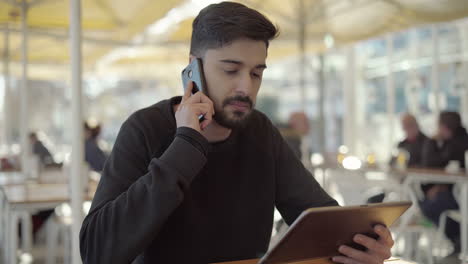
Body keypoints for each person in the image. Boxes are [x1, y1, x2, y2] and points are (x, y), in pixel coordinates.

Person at [80, 3, 394, 264]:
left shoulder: (260, 132)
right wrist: (186, 145)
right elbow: (97, 252)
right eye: (231, 70)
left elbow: (320, 219)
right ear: (194, 69)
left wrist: (364, 245)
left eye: (257, 73)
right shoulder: (145, 129)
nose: (247, 86)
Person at [420, 111, 468, 254]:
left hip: (460, 194)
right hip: (456, 190)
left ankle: (459, 237)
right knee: (428, 203)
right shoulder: (456, 140)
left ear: (445, 127)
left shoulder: (458, 143)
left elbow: (435, 163)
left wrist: (432, 141)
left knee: (429, 206)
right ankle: (459, 238)